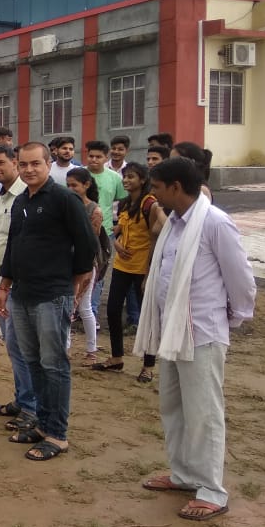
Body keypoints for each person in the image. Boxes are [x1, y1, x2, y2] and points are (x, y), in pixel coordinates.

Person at [138, 157, 255, 522]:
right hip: (172, 332)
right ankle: (184, 474)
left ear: (176, 187)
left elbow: (241, 279)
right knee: (173, 407)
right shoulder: (173, 224)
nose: (153, 194)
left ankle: (211, 491)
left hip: (202, 332)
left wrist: (232, 318)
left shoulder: (215, 223)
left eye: (157, 187)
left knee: (203, 413)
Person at [0, 143, 97, 461]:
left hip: (52, 295)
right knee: (33, 361)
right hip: (22, 294)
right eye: (23, 164)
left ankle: (57, 434)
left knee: (54, 365)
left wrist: (75, 282)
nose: (29, 170)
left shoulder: (64, 199)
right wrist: (5, 284)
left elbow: (87, 244)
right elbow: (13, 245)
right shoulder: (21, 201)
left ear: (48, 164)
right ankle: (41, 424)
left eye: (35, 164)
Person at [91, 163, 166, 382]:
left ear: (142, 180)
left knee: (146, 315)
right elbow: (118, 229)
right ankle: (116, 357)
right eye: (125, 177)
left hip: (142, 267)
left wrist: (149, 272)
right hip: (122, 265)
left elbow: (156, 236)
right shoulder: (124, 204)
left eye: (131, 177)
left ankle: (148, 365)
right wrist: (116, 243)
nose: (126, 180)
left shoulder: (150, 205)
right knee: (113, 310)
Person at [0, 145, 37, 430]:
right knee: (13, 347)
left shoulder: (26, 196)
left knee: (23, 348)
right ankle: (22, 399)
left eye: (0, 163)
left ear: (14, 162)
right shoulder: (0, 196)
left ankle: (31, 409)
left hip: (17, 285)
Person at [64, 168, 104, 365]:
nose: (71, 189)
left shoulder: (94, 210)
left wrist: (87, 268)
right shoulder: (67, 205)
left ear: (86, 185)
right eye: (68, 185)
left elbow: (91, 242)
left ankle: (91, 350)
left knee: (83, 306)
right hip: (68, 261)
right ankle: (66, 348)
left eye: (75, 185)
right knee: (69, 305)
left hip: (86, 263)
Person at [86, 140, 126, 318]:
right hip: (81, 229)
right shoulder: (80, 175)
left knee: (99, 270)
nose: (94, 160)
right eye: (91, 156)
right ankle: (79, 310)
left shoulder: (115, 178)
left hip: (106, 232)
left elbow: (124, 201)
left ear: (105, 158)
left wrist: (119, 225)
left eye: (98, 156)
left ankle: (92, 311)